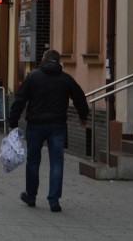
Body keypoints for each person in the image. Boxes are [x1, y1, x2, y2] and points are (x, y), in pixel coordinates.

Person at [7, 49, 89, 213]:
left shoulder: (33, 77)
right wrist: (83, 115)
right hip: (57, 126)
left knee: (33, 161)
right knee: (57, 162)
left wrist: (13, 121)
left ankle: (31, 196)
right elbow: (79, 96)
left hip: (35, 125)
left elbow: (20, 98)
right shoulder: (65, 79)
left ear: (44, 59)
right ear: (59, 62)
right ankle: (54, 200)